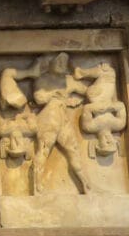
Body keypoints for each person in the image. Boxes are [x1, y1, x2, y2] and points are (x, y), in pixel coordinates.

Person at [32, 53, 91, 194]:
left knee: (73, 149)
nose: (61, 64)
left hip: (63, 119)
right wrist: (52, 95)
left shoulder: (68, 80)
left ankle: (85, 184)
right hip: (49, 117)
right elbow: (39, 98)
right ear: (50, 62)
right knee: (44, 150)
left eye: (64, 61)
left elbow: (87, 91)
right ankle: (36, 185)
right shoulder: (43, 79)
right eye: (58, 60)